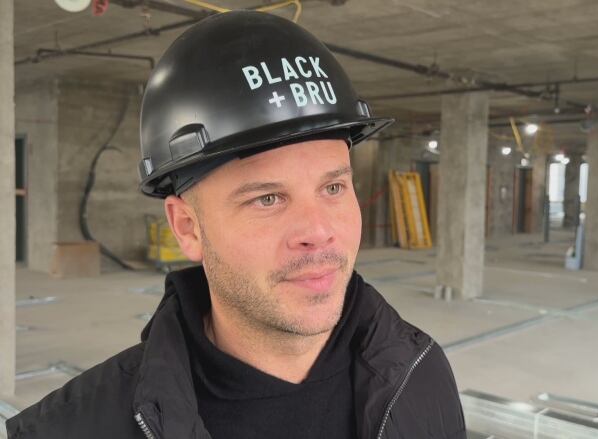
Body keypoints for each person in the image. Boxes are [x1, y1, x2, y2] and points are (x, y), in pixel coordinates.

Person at [6, 10, 465, 439]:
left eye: (333, 188)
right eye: (268, 198)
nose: (319, 230)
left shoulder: (419, 374)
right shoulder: (71, 428)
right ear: (187, 227)